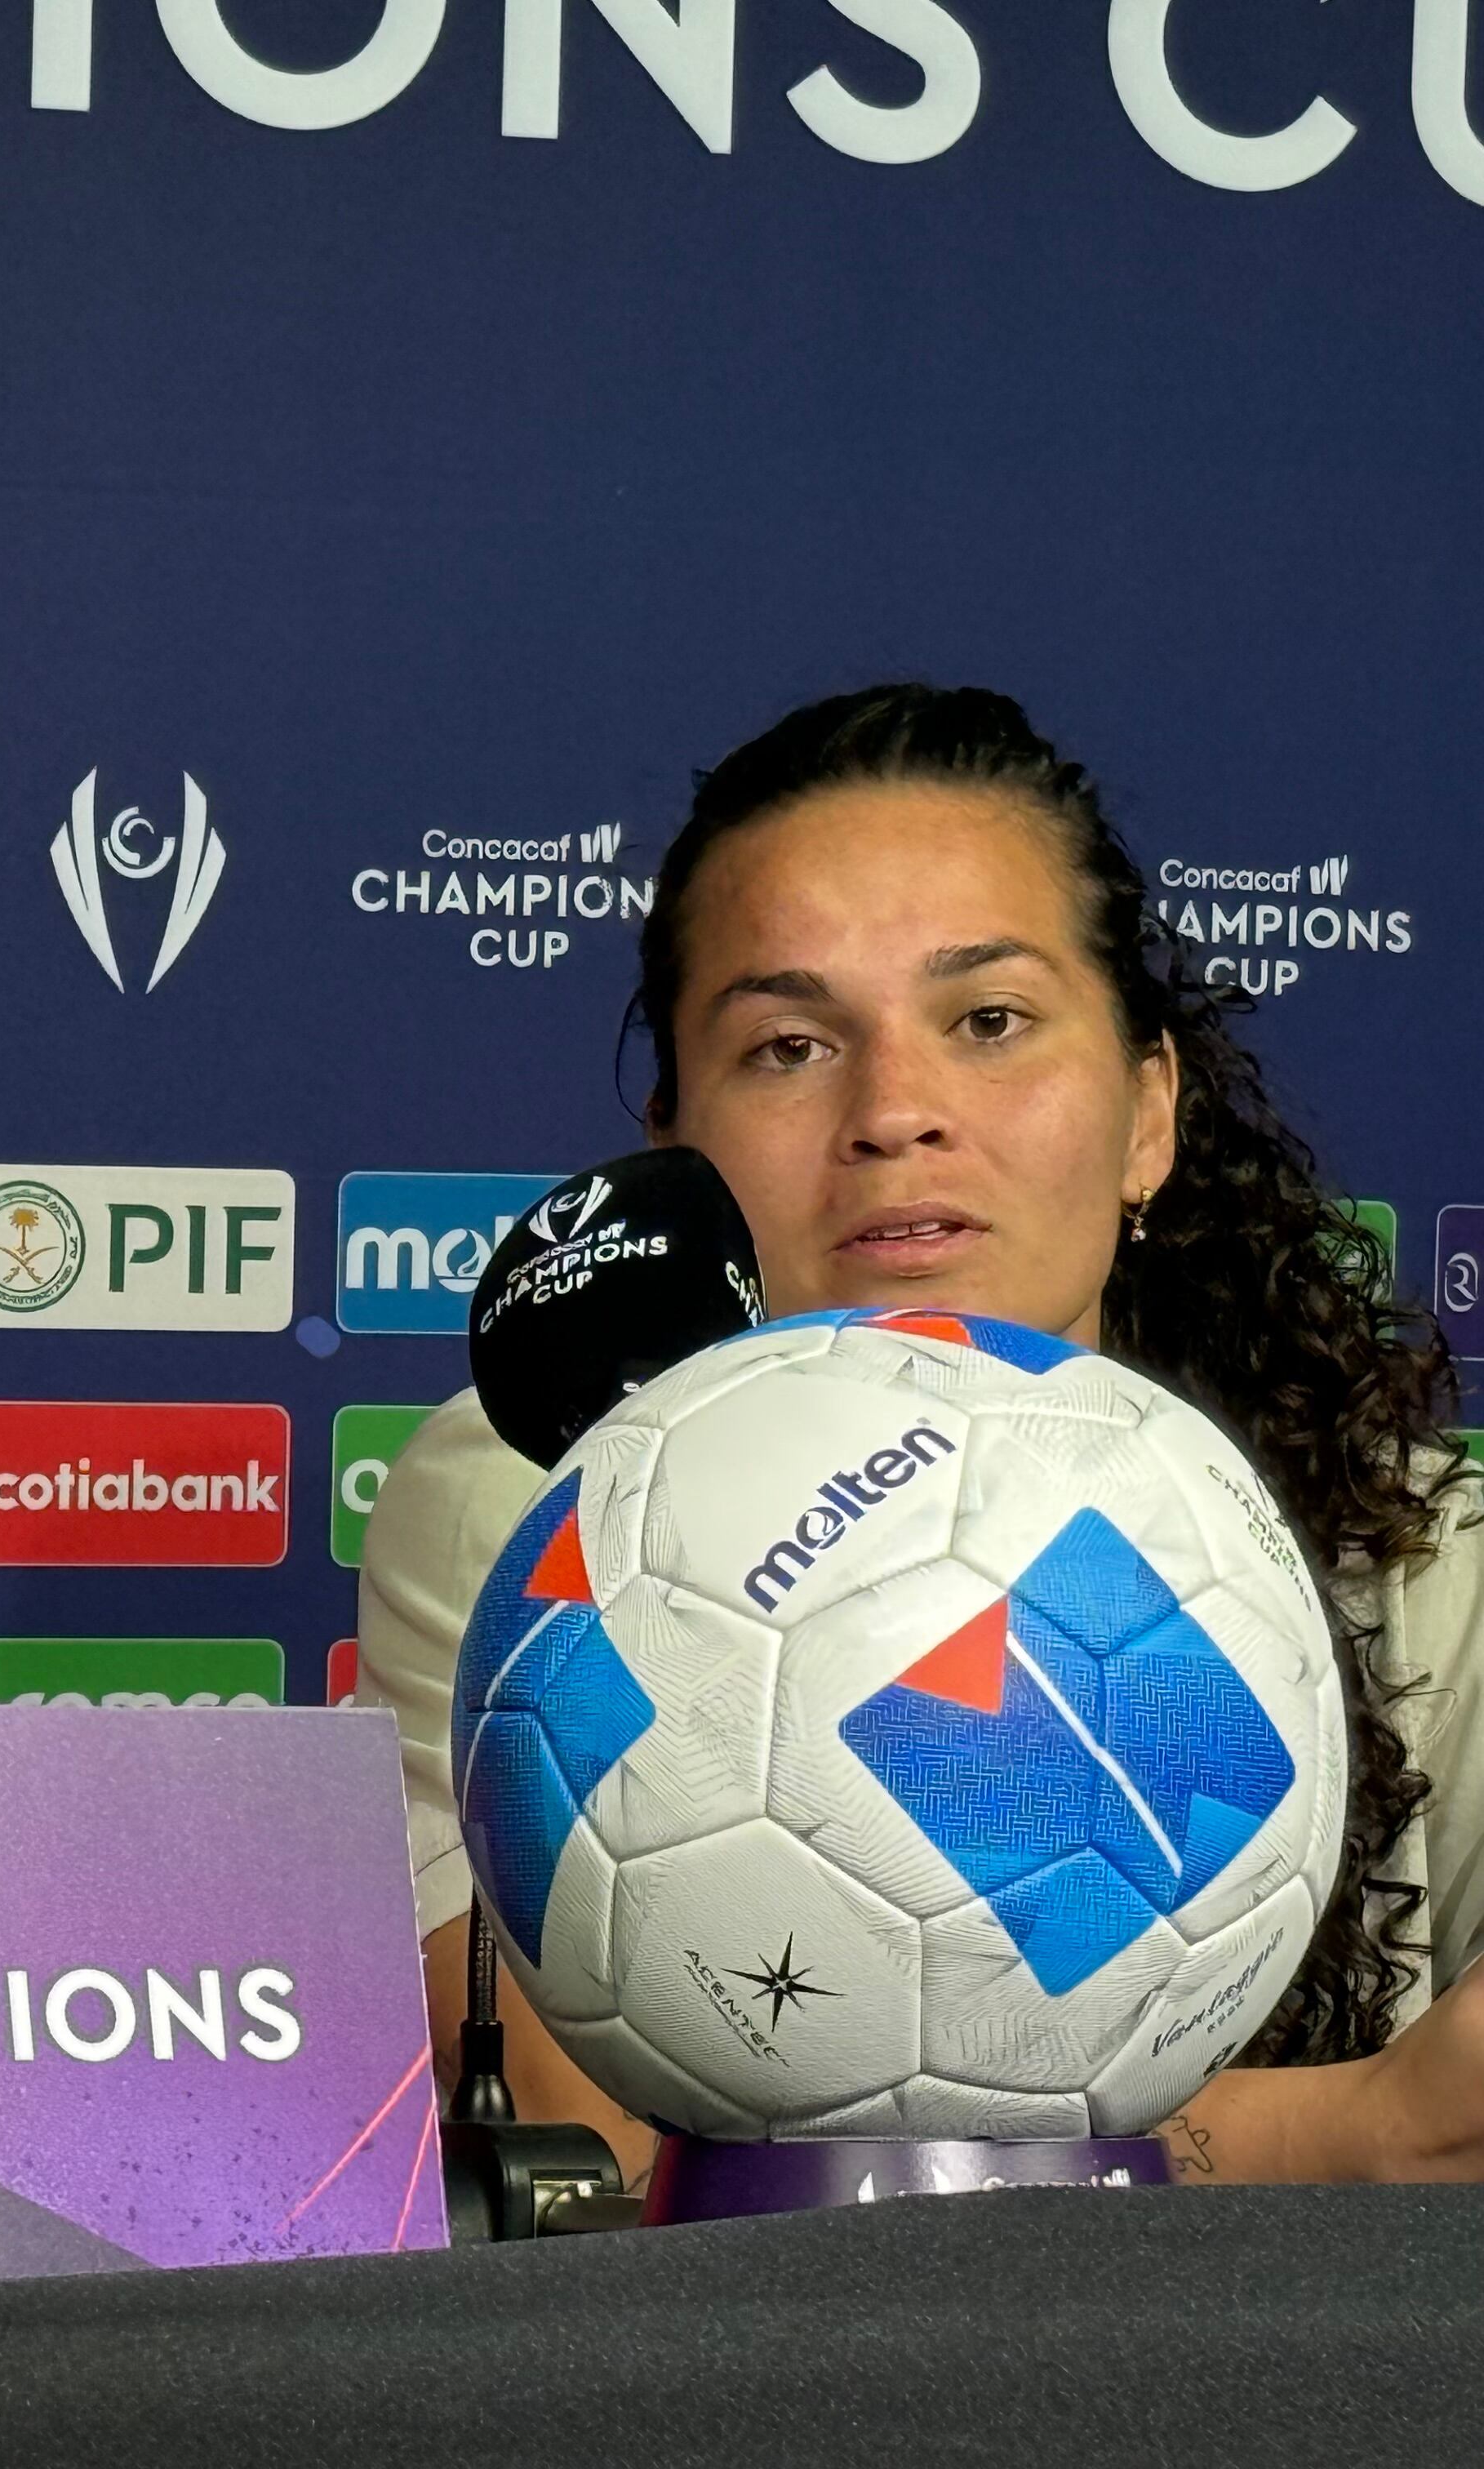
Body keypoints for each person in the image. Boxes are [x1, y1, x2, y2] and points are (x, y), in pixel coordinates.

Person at [355, 684, 1484, 2187]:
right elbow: (618, 2159)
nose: (896, 1110)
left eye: (990, 1020)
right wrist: (1347, 2136)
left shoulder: (1418, 1548)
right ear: (676, 1150)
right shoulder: (534, 1504)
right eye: (788, 1046)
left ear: (1150, 1115)